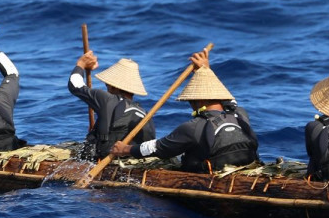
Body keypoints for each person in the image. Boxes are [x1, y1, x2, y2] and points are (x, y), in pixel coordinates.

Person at [109, 49, 259, 173]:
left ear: (198, 101)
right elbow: (229, 101)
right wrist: (205, 70)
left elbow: (159, 148)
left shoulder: (193, 127)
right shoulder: (240, 114)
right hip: (247, 168)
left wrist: (125, 149)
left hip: (209, 174)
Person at [67, 52, 155, 159]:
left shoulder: (107, 99)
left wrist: (81, 64)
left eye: (107, 85)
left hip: (105, 160)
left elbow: (75, 85)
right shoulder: (144, 113)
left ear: (114, 86)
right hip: (134, 160)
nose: (106, 88)